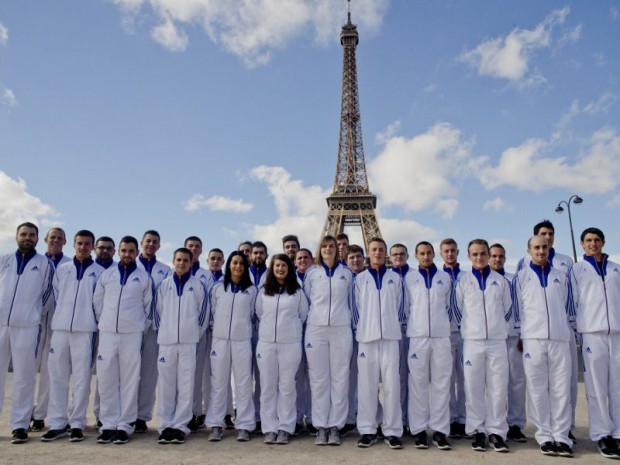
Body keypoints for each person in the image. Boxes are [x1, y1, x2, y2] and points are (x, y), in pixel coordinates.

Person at [514, 236, 574, 457]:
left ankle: (561, 436)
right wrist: (521, 335)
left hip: (559, 339)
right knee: (538, 390)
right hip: (533, 339)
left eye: (544, 247)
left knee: (560, 389)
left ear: (550, 249)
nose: (541, 251)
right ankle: (545, 435)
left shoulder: (562, 276)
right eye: (537, 247)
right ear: (529, 250)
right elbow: (516, 309)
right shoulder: (520, 278)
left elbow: (570, 307)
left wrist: (568, 332)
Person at [41, 230, 104, 443]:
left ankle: (77, 423)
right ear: (73, 244)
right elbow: (57, 296)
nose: (83, 247)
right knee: (57, 377)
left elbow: (99, 303)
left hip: (85, 332)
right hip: (60, 330)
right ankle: (58, 423)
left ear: (93, 247)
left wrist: (89, 322)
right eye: (80, 243)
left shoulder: (99, 272)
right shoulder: (63, 269)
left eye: (87, 244)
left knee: (81, 379)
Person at [93, 236, 152, 444]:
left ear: (137, 253)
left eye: (131, 251)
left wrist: (137, 327)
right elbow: (98, 303)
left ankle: (125, 425)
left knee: (129, 380)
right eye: (124, 250)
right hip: (108, 334)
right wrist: (106, 324)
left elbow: (149, 308)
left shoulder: (144, 277)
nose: (127, 254)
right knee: (107, 379)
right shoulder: (107, 275)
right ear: (119, 252)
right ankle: (108, 424)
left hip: (131, 335)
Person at [454, 239, 511, 453]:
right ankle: (477, 430)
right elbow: (457, 310)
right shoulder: (463, 282)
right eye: (475, 254)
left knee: (498, 388)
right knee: (473, 387)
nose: (479, 257)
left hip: (497, 342)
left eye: (483, 253)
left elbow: (508, 310)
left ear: (489, 255)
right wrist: (472, 329)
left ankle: (497, 432)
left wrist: (496, 329)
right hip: (473, 342)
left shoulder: (502, 281)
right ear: (468, 256)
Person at [0, 222, 54, 444]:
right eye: (23, 234)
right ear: (16, 236)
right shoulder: (4, 260)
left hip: (28, 327)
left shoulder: (44, 263)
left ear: (38, 238)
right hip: (1, 324)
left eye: (32, 235)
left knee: (25, 377)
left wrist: (31, 314)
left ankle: (20, 425)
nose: (27, 238)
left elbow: (47, 295)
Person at [570, 227, 620, 459]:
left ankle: (618, 432)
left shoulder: (615, 269)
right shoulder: (576, 270)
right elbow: (571, 302)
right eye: (588, 240)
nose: (593, 244)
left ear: (603, 241)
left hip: (617, 334)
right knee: (597, 387)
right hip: (591, 333)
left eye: (597, 240)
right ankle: (603, 434)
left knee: (617, 386)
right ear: (582, 244)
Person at [354, 238, 405, 449]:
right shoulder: (359, 279)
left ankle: (392, 430)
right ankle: (368, 429)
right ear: (368, 252)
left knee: (393, 385)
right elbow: (355, 309)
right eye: (374, 249)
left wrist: (393, 326)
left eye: (381, 250)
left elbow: (401, 307)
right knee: (367, 387)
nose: (377, 252)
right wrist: (364, 329)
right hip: (367, 339)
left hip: (391, 338)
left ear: (386, 254)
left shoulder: (395, 278)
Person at [153, 248, 207, 445]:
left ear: (191, 262)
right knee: (166, 385)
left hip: (188, 343)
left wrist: (192, 335)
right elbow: (157, 314)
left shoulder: (198, 285)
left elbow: (203, 315)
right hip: (166, 342)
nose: (182, 263)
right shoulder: (163, 286)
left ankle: (180, 426)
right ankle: (166, 425)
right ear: (173, 261)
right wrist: (164, 333)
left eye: (186, 260)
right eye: (179, 259)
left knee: (186, 385)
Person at [303, 236, 354, 446]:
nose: (328, 249)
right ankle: (320, 425)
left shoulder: (347, 274)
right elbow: (306, 301)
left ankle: (336, 426)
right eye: (324, 246)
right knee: (318, 378)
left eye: (332, 246)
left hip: (341, 329)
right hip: (316, 329)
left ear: (338, 250)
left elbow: (353, 302)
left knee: (340, 378)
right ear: (319, 249)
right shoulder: (312, 273)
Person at [255, 254, 309, 445]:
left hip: (290, 344)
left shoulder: (297, 291)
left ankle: (285, 427)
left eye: (283, 265)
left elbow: (303, 315)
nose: (280, 269)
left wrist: (290, 332)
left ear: (289, 268)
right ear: (272, 268)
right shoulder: (263, 291)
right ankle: (269, 428)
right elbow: (259, 314)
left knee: (287, 387)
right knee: (268, 387)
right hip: (267, 343)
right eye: (277, 265)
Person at [405, 241, 453, 451]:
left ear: (434, 254)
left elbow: (451, 307)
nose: (426, 256)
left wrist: (442, 326)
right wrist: (416, 327)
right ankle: (420, 430)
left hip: (441, 337)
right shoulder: (409, 278)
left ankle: (441, 430)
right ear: (416, 256)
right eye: (422, 253)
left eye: (429, 253)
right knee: (418, 385)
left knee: (442, 384)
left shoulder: (445, 278)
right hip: (418, 338)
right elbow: (405, 308)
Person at [206, 251, 258, 442]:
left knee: (244, 384)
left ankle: (244, 424)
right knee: (218, 383)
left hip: (242, 341)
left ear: (245, 267)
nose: (237, 266)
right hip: (219, 341)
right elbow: (212, 313)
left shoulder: (251, 290)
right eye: (234, 263)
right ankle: (217, 424)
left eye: (241, 264)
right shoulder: (218, 288)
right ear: (229, 265)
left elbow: (254, 315)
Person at [31, 227, 71, 432]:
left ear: (65, 242)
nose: (55, 240)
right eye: (52, 237)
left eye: (60, 238)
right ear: (45, 239)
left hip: (58, 322)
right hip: (33, 321)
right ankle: (25, 411)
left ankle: (40, 414)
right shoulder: (36, 261)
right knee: (28, 368)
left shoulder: (68, 265)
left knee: (50, 370)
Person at [490, 243, 527, 443]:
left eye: (501, 256)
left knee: (516, 382)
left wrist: (522, 333)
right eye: (494, 256)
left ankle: (515, 423)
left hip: (513, 336)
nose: (497, 259)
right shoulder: (485, 280)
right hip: (493, 338)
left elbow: (523, 307)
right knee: (494, 383)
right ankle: (495, 422)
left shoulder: (515, 280)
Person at [135, 230, 171, 433]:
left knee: (149, 374)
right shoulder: (131, 265)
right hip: (130, 328)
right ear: (142, 243)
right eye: (148, 241)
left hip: (154, 329)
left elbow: (164, 301)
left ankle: (142, 416)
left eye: (154, 242)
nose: (150, 244)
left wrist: (155, 323)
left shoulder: (164, 270)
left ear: (159, 246)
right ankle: (123, 414)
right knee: (127, 374)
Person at [184, 236, 215, 431]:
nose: (194, 249)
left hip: (199, 333)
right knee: (180, 376)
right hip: (177, 335)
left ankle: (195, 412)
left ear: (201, 251)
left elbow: (209, 304)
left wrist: (200, 329)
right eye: (190, 246)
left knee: (198, 374)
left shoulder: (207, 275)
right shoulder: (173, 273)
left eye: (197, 247)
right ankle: (182, 413)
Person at [440, 238, 467, 439]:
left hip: (466, 333)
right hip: (445, 334)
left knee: (465, 379)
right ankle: (449, 418)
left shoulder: (467, 277)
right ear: (441, 253)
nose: (450, 254)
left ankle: (464, 418)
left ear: (458, 252)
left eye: (452, 251)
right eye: (446, 251)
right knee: (447, 379)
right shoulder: (437, 277)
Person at [343, 244, 365, 435]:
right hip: (345, 333)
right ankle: (349, 418)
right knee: (348, 378)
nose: (355, 260)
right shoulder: (342, 278)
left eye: (358, 257)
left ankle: (370, 418)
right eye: (352, 257)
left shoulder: (369, 278)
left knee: (368, 378)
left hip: (366, 333)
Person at [390, 243, 410, 435]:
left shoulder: (413, 276)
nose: (398, 257)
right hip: (391, 332)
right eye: (395, 254)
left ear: (407, 256)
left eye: (401, 254)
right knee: (394, 378)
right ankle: (395, 419)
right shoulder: (387, 277)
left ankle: (407, 418)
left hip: (411, 331)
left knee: (409, 377)